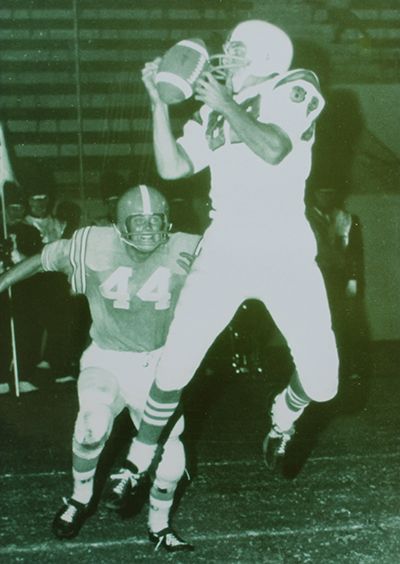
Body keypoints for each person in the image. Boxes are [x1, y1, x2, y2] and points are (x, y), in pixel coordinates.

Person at [120, 19, 339, 480]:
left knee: (323, 383)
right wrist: (158, 105)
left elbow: (275, 147)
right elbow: (172, 166)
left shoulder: (296, 86)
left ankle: (284, 413)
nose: (225, 58)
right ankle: (137, 459)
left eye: (237, 50)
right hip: (228, 242)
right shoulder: (217, 110)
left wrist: (223, 102)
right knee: (176, 361)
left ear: (264, 58)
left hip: (283, 244)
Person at [0, 185, 200, 552]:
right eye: (138, 222)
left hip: (158, 364)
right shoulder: (93, 243)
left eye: (156, 221)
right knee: (93, 425)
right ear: (120, 225)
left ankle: (159, 527)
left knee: (171, 461)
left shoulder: (188, 246)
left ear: (168, 223)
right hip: (106, 356)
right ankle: (79, 499)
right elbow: (43, 258)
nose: (148, 229)